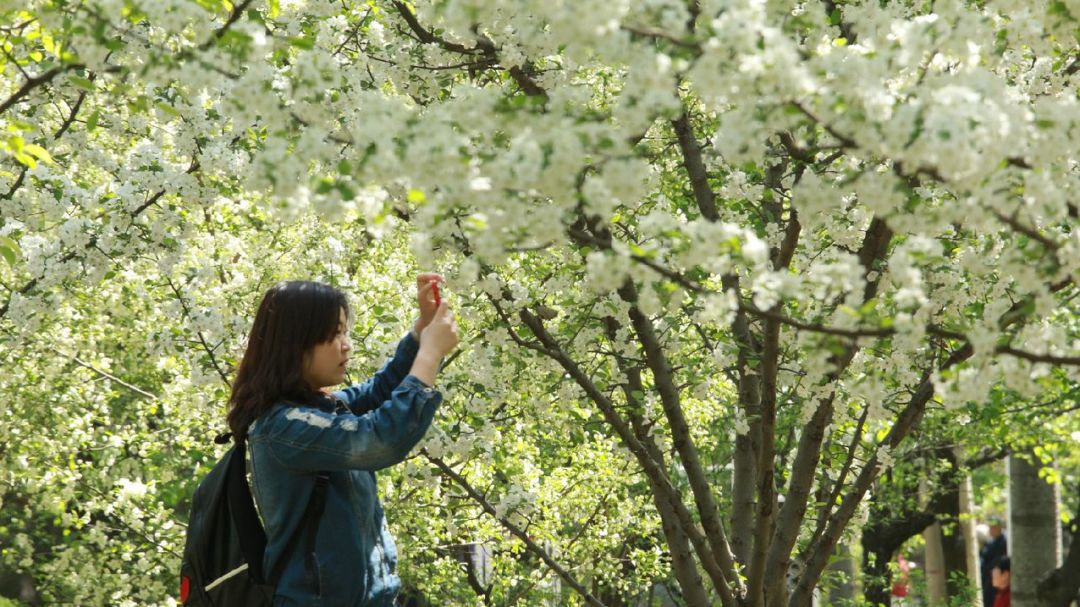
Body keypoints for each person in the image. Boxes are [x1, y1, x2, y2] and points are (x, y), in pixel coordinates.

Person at [225, 276, 459, 606]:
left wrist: (421, 331)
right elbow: (380, 438)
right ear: (295, 343)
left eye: (344, 331)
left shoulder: (318, 409)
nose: (346, 343)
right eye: (334, 333)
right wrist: (430, 353)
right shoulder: (284, 427)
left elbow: (379, 392)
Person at [980, 520, 1008, 607]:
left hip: (998, 579)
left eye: (994, 528)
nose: (992, 530)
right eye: (991, 528)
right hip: (987, 578)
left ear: (999, 528)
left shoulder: (1004, 542)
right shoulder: (989, 542)